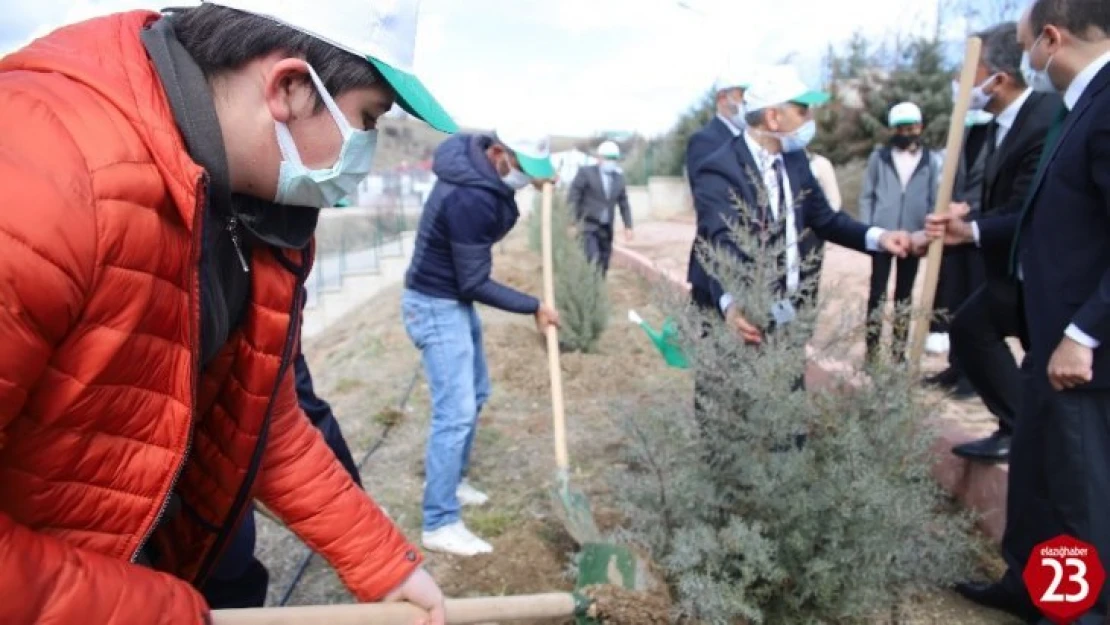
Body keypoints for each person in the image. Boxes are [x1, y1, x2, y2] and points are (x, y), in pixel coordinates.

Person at [0, 1, 455, 622]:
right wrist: (153, 610)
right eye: (367, 120)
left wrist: (382, 564)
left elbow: (263, 419)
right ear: (290, 87)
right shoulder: (39, 174)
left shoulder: (257, 208)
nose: (367, 151)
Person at [927, 2, 1110, 621]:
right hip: (1046, 326)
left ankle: (1078, 610)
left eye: (1029, 44)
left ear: (1052, 39)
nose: (1028, 57)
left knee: (1076, 490)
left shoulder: (1107, 105)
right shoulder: (1080, 105)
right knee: (1035, 468)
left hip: (1080, 345)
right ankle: (1029, 584)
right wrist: (973, 231)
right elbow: (1055, 218)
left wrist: (1084, 333)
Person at [402, 129, 560, 557]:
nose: (526, 180)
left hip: (449, 298)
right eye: (523, 171)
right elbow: (474, 281)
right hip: (436, 304)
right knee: (455, 412)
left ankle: (453, 481)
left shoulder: (480, 174)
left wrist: (538, 175)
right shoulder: (468, 197)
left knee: (476, 393)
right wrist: (533, 305)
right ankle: (440, 521)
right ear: (497, 154)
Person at [687, 64, 912, 349]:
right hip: (738, 317)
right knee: (729, 392)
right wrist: (732, 302)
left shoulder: (795, 161)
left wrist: (879, 237)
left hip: (786, 314)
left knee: (788, 389)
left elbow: (827, 220)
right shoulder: (720, 169)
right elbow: (722, 241)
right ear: (773, 117)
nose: (810, 120)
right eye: (802, 111)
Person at [933, 22, 1062, 464]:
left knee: (1017, 350)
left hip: (1042, 270)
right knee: (973, 328)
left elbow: (1029, 208)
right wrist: (969, 217)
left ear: (998, 79)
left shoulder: (1044, 120)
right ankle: (1019, 427)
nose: (959, 84)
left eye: (967, 72)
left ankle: (1025, 432)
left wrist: (969, 231)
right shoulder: (999, 126)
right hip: (1012, 268)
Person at [204, 285, 365, 609]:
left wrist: (369, 547)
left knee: (233, 566)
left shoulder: (271, 264)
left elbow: (281, 428)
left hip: (212, 482)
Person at [858, 102, 941, 364]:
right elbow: (867, 195)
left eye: (912, 127)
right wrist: (869, 231)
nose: (907, 133)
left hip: (913, 238)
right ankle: (871, 355)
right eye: (902, 128)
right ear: (894, 129)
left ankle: (898, 353)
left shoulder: (931, 160)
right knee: (877, 294)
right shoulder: (879, 158)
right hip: (883, 237)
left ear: (920, 127)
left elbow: (934, 198)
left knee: (904, 297)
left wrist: (926, 235)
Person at [923, 106, 995, 399]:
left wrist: (972, 212)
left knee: (976, 306)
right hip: (955, 235)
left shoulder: (999, 139)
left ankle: (974, 377)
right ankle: (955, 365)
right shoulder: (963, 136)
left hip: (981, 233)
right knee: (953, 300)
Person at [567, 140, 634, 276]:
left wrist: (628, 225)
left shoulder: (618, 178)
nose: (611, 162)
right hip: (588, 226)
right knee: (592, 258)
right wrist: (572, 222)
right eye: (608, 158)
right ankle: (589, 288)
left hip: (606, 229)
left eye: (614, 159)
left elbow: (623, 203)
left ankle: (598, 290)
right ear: (599, 158)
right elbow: (573, 198)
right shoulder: (586, 173)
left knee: (604, 262)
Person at [685, 69, 748, 174]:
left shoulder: (750, 138)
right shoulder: (703, 141)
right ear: (722, 98)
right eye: (742, 95)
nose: (747, 101)